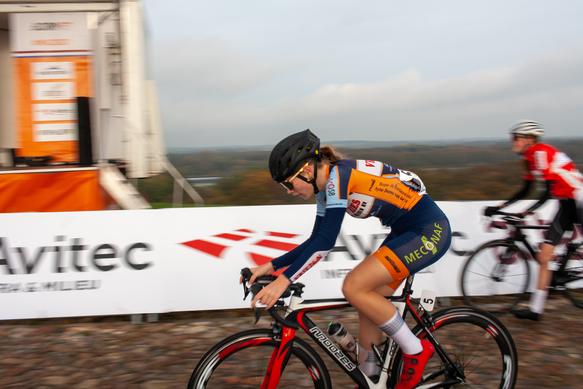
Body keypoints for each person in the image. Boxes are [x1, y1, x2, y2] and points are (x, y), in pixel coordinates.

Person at [247, 129, 451, 389]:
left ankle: (415, 350)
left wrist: (284, 280)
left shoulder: (338, 178)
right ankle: (372, 375)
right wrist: (272, 266)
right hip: (405, 231)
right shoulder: (324, 188)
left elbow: (325, 244)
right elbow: (315, 239)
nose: (288, 191)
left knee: (353, 286)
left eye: (288, 183)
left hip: (429, 231)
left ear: (306, 171)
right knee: (366, 301)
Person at [485, 120, 583, 321]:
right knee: (544, 257)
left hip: (579, 200)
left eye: (515, 137)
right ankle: (536, 310)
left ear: (528, 139)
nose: (512, 141)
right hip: (565, 206)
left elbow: (546, 193)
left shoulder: (540, 153)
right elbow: (526, 190)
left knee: (545, 257)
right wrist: (500, 207)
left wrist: (525, 213)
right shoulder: (530, 158)